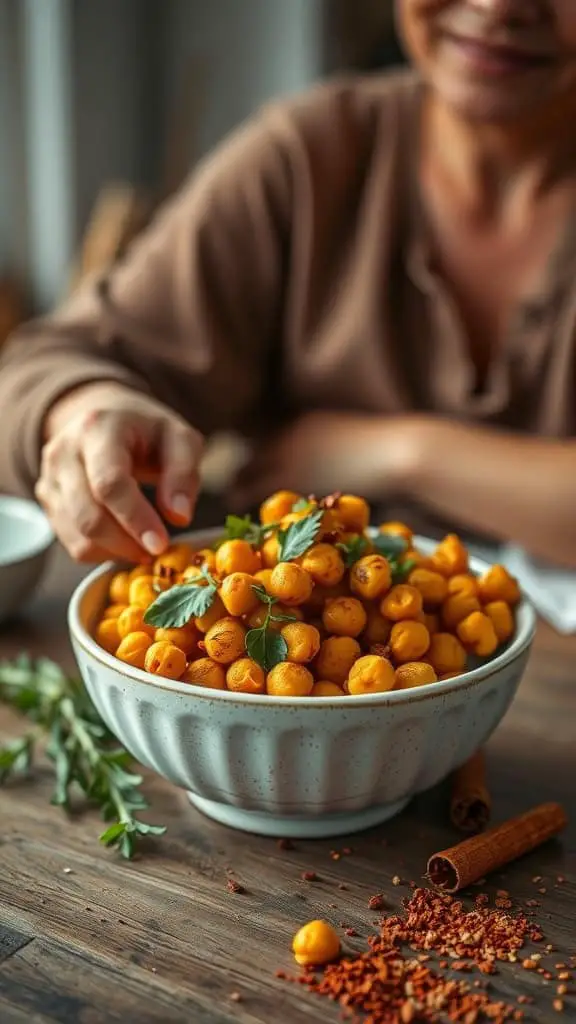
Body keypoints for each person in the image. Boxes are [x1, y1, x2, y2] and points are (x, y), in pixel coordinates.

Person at [2, 0, 576, 568]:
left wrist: (401, 454)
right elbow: (40, 368)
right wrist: (85, 412)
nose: (499, 7)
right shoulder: (310, 161)